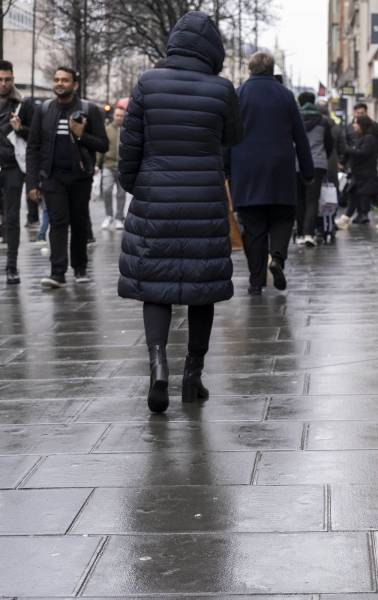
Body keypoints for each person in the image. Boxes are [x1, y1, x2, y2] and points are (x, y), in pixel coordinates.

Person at [117, 11, 243, 414]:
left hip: (156, 197)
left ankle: (158, 365)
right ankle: (193, 374)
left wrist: (136, 185)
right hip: (204, 198)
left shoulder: (147, 83)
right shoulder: (222, 90)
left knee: (155, 287)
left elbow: (129, 145)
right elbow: (233, 139)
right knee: (200, 288)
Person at [229, 52, 314, 294]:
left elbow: (228, 135)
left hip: (246, 172)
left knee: (253, 227)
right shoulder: (285, 95)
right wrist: (307, 171)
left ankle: (256, 282)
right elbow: (300, 137)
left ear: (250, 69)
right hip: (280, 170)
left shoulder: (238, 95)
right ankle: (276, 257)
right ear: (272, 69)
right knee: (282, 217)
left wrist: (226, 168)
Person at [26, 66, 108, 288]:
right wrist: (32, 182)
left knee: (80, 223)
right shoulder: (44, 110)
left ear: (75, 84)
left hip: (80, 176)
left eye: (65, 80)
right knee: (58, 221)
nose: (59, 83)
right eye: (56, 80)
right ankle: (57, 273)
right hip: (52, 177)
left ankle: (80, 268)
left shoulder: (89, 109)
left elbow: (103, 144)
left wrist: (82, 136)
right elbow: (33, 148)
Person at [0, 60, 34, 284]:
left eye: (7, 79)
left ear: (13, 79)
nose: (3, 83)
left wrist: (20, 128)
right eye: (0, 80)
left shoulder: (23, 105)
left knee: (12, 218)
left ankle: (11, 266)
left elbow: (35, 137)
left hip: (12, 167)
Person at [338, 115, 378, 230]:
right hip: (360, 174)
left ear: (362, 125)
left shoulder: (369, 138)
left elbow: (363, 153)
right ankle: (344, 220)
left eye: (356, 123)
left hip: (366, 174)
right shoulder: (363, 137)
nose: (353, 125)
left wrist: (348, 149)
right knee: (354, 195)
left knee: (373, 197)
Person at [296, 91, 333, 247]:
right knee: (312, 200)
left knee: (299, 199)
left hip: (296, 164)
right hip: (317, 164)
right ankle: (309, 234)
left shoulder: (295, 119)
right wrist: (322, 156)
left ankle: (299, 235)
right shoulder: (324, 121)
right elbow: (329, 144)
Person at [99, 98, 128, 231]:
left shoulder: (128, 131)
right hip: (108, 165)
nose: (119, 117)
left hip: (123, 167)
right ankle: (108, 215)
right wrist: (97, 164)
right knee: (106, 190)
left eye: (122, 115)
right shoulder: (107, 129)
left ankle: (119, 217)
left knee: (121, 194)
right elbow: (101, 147)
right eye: (117, 115)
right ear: (113, 116)